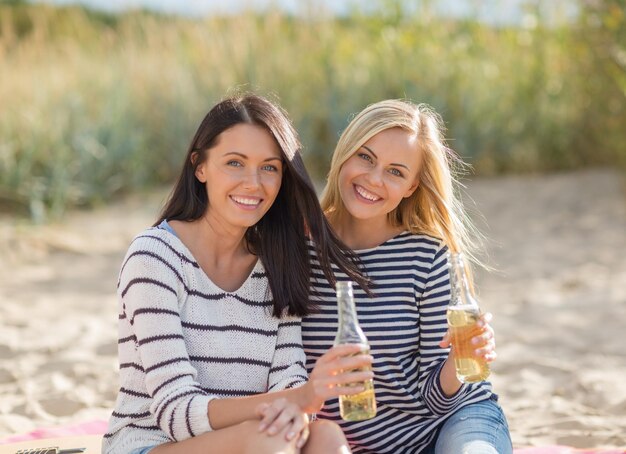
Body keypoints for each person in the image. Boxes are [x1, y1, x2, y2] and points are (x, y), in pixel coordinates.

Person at [102, 93, 375, 454]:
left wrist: (297, 407)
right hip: (152, 443)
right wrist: (300, 399)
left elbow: (288, 378)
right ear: (199, 166)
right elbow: (176, 411)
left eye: (270, 167)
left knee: (327, 437)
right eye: (235, 163)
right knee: (267, 439)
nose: (253, 183)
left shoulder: (277, 263)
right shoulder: (154, 257)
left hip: (258, 440)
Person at [302, 99, 513, 454]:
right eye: (365, 157)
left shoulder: (426, 256)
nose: (373, 179)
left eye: (395, 172)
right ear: (344, 154)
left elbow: (435, 401)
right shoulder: (298, 250)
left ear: (411, 187)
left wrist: (459, 361)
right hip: (342, 442)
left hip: (448, 424)